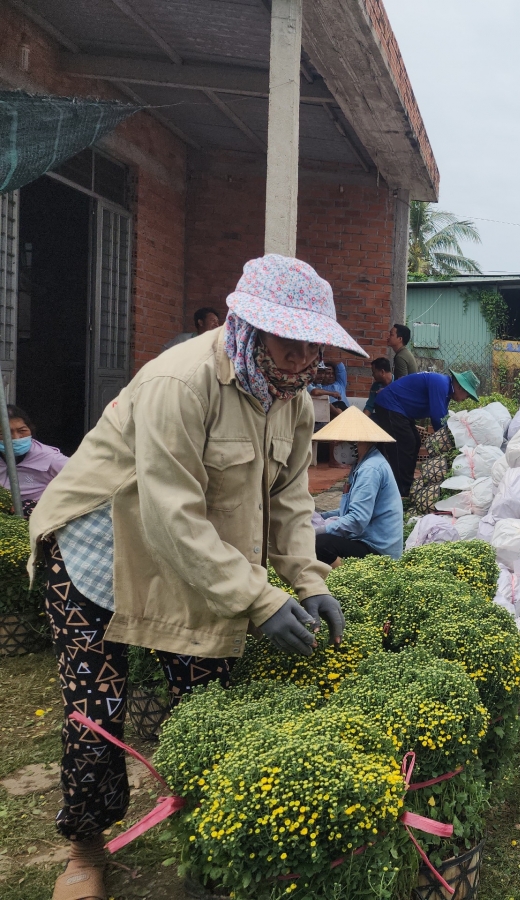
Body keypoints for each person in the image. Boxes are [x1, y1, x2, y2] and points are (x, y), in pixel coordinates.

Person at [30, 254, 365, 900]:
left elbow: (291, 503)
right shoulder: (180, 385)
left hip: (188, 552)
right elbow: (169, 515)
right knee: (96, 705)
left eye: (312, 348)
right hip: (99, 542)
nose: (301, 362)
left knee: (207, 693)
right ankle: (84, 847)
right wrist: (257, 597)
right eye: (289, 344)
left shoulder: (294, 402)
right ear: (251, 327)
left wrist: (309, 581)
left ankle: (209, 842)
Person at [311, 406, 404, 565]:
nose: (337, 444)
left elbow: (356, 520)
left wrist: (317, 531)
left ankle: (347, 576)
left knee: (320, 544)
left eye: (340, 440)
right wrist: (320, 516)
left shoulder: (370, 469)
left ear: (356, 441)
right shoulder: (361, 464)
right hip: (366, 540)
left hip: (378, 550)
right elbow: (349, 510)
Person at [370, 369, 479, 495]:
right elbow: (438, 419)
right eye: (467, 395)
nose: (465, 399)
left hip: (400, 410)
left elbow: (442, 416)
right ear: (460, 387)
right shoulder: (441, 384)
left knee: (415, 441)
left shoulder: (445, 388)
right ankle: (401, 491)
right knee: (405, 444)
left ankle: (406, 484)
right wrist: (449, 442)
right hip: (390, 405)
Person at [0, 405, 69, 516]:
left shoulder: (50, 458)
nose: (16, 438)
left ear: (31, 430)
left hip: (39, 517)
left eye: (22, 430)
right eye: (5, 433)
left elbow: (83, 481)